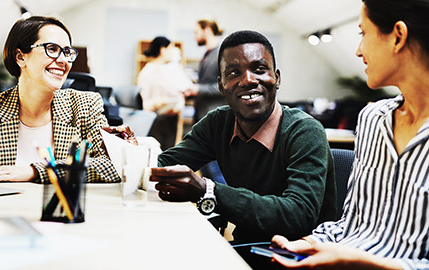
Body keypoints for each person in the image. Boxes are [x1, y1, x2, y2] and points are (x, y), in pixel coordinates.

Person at [151, 30, 336, 269]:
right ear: (221, 85)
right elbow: (163, 163)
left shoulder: (305, 131)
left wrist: (210, 191)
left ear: (276, 78)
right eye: (234, 73)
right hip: (244, 251)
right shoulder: (219, 123)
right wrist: (127, 147)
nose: (248, 79)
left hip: (299, 257)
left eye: (259, 69)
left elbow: (297, 215)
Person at [271, 0, 429, 269]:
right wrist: (310, 242)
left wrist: (363, 262)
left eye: (363, 33)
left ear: (398, 36)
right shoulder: (372, 119)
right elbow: (352, 224)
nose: (357, 51)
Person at [0, 16, 120, 184]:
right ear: (20, 57)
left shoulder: (84, 106)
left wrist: (34, 171)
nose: (63, 60)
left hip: (60, 211)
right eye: (52, 49)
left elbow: (113, 164)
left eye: (67, 52)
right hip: (1, 210)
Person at [137, 36, 194, 150]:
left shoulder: (170, 69)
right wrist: (157, 103)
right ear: (162, 50)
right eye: (170, 49)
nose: (172, 53)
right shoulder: (147, 72)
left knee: (169, 154)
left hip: (172, 119)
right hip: (156, 121)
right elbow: (142, 103)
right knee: (157, 156)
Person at [183, 18, 227, 124]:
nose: (194, 37)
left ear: (207, 30)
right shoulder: (207, 54)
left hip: (215, 116)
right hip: (202, 114)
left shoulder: (222, 54)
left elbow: (226, 86)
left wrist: (198, 89)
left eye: (196, 32)